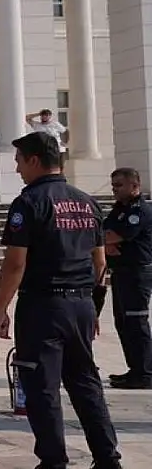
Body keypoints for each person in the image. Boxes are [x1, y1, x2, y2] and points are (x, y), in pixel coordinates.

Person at [0, 131, 121, 469]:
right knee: (86, 384)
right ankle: (108, 458)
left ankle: (53, 461)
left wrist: (1, 308)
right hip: (80, 304)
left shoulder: (29, 203)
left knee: (42, 388)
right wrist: (92, 306)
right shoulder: (86, 201)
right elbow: (100, 261)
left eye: (19, 161)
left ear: (34, 160)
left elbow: (16, 263)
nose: (17, 169)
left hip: (43, 307)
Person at [102, 167, 152, 390]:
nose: (115, 190)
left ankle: (145, 372)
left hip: (137, 273)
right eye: (113, 186)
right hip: (121, 273)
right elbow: (104, 235)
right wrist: (107, 243)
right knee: (123, 322)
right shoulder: (118, 210)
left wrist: (109, 241)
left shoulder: (139, 210)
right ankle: (135, 369)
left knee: (136, 322)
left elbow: (116, 235)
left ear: (135, 186)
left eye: (119, 186)